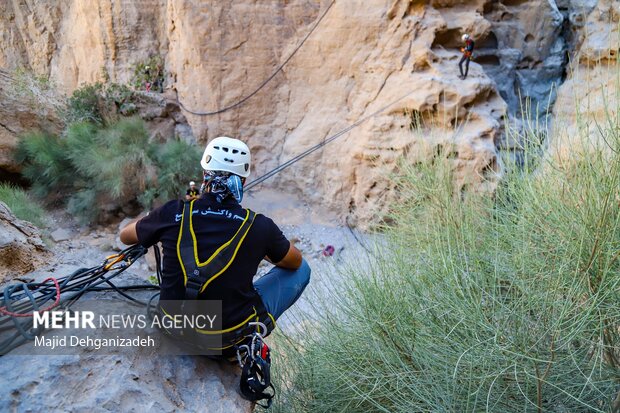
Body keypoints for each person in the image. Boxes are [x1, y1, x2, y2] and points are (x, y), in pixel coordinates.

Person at [119, 136, 310, 349]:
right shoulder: (259, 227)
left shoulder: (174, 212)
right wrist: (261, 249)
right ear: (243, 181)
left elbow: (125, 236)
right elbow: (295, 263)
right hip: (225, 340)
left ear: (204, 174)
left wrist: (153, 218)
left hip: (171, 327)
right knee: (304, 270)